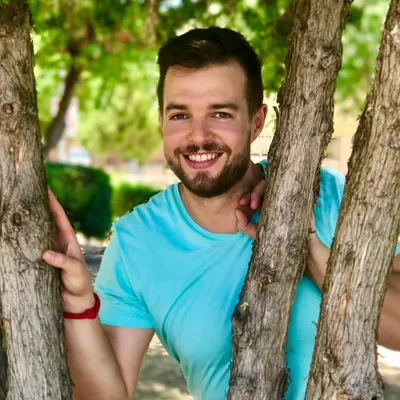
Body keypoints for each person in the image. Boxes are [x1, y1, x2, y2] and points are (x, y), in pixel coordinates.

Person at [43, 27, 400, 400]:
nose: (198, 136)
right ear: (161, 120)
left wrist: (310, 249)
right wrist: (79, 304)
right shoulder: (138, 241)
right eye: (180, 115)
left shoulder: (328, 196)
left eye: (220, 113)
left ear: (256, 123)